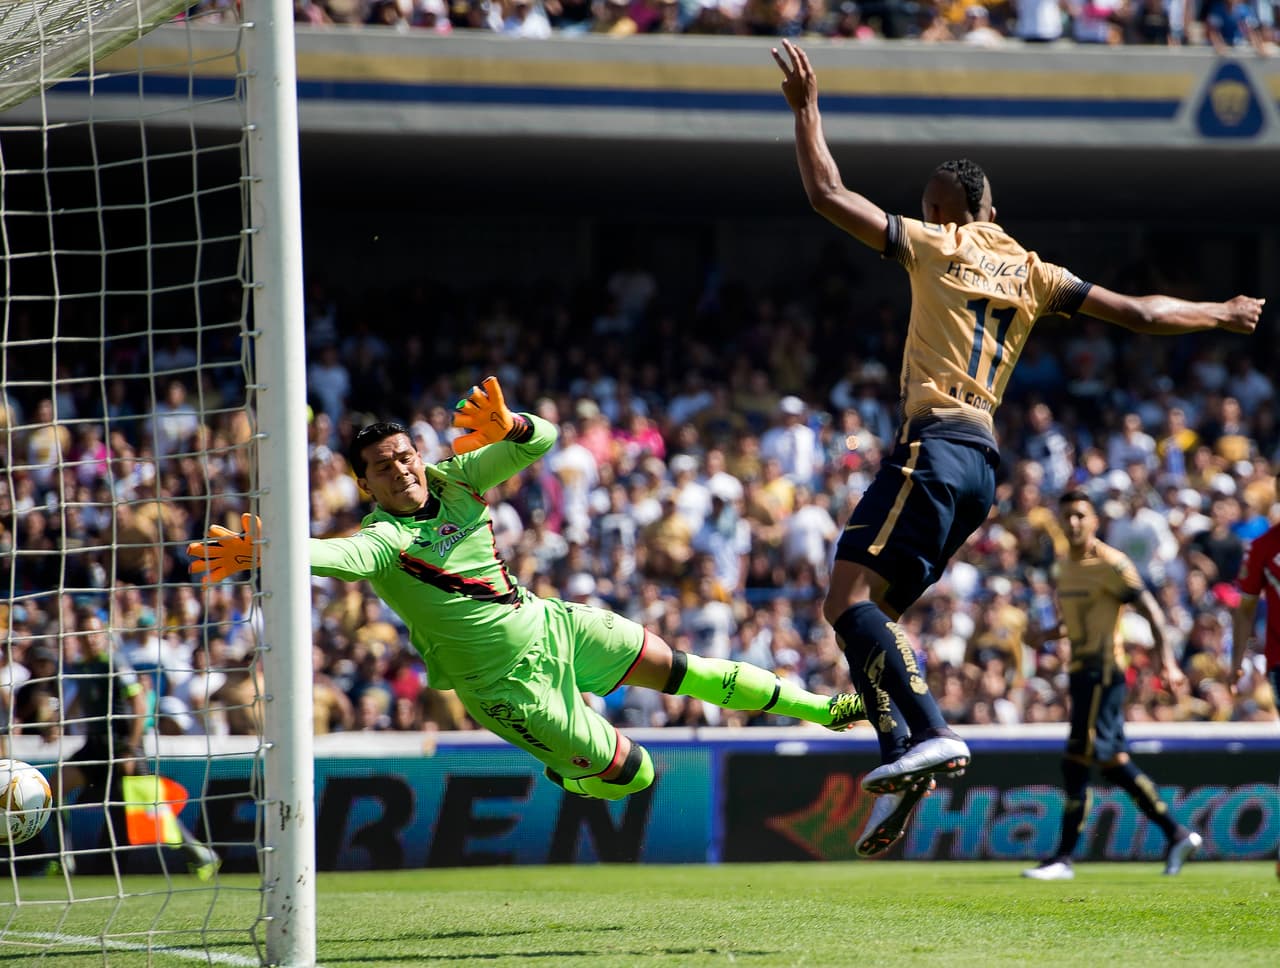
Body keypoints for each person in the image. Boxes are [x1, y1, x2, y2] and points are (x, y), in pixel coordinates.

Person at [770, 38, 1263, 857]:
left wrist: (806, 110)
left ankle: (927, 734)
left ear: (957, 210)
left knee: (845, 600)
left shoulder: (938, 246)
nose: (927, 217)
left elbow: (826, 192)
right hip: (982, 468)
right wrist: (1220, 310)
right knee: (869, 621)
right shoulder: (1034, 273)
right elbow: (1140, 314)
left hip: (933, 444)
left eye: (932, 207)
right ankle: (900, 759)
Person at [189, 377, 866, 803]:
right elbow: (338, 556)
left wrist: (512, 426)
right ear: (365, 486)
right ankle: (570, 772)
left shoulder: (456, 480)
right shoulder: (385, 538)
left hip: (554, 626)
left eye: (403, 455)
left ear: (418, 456)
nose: (399, 470)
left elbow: (540, 440)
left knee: (682, 669)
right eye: (381, 468)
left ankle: (823, 710)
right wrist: (271, 550)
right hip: (507, 689)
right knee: (636, 777)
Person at [1022, 490, 1202, 879]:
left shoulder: (1112, 564)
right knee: (1112, 761)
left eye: (1080, 516)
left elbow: (1152, 611)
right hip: (1080, 671)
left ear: (1095, 521)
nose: (1073, 523)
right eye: (1067, 516)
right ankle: (1177, 834)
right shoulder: (1064, 566)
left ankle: (1063, 859)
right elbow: (1076, 622)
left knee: (1076, 759)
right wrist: (1046, 636)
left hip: (1104, 672)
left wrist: (1167, 663)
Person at [52, 611, 219, 878]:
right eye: (85, 633)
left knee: (151, 811)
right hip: (95, 746)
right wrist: (57, 722)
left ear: (103, 635)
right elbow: (79, 702)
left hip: (122, 746)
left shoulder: (116, 664)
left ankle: (201, 855)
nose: (90, 638)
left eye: (95, 632)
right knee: (53, 789)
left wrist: (130, 748)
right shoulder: (82, 667)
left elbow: (140, 705)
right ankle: (64, 859)